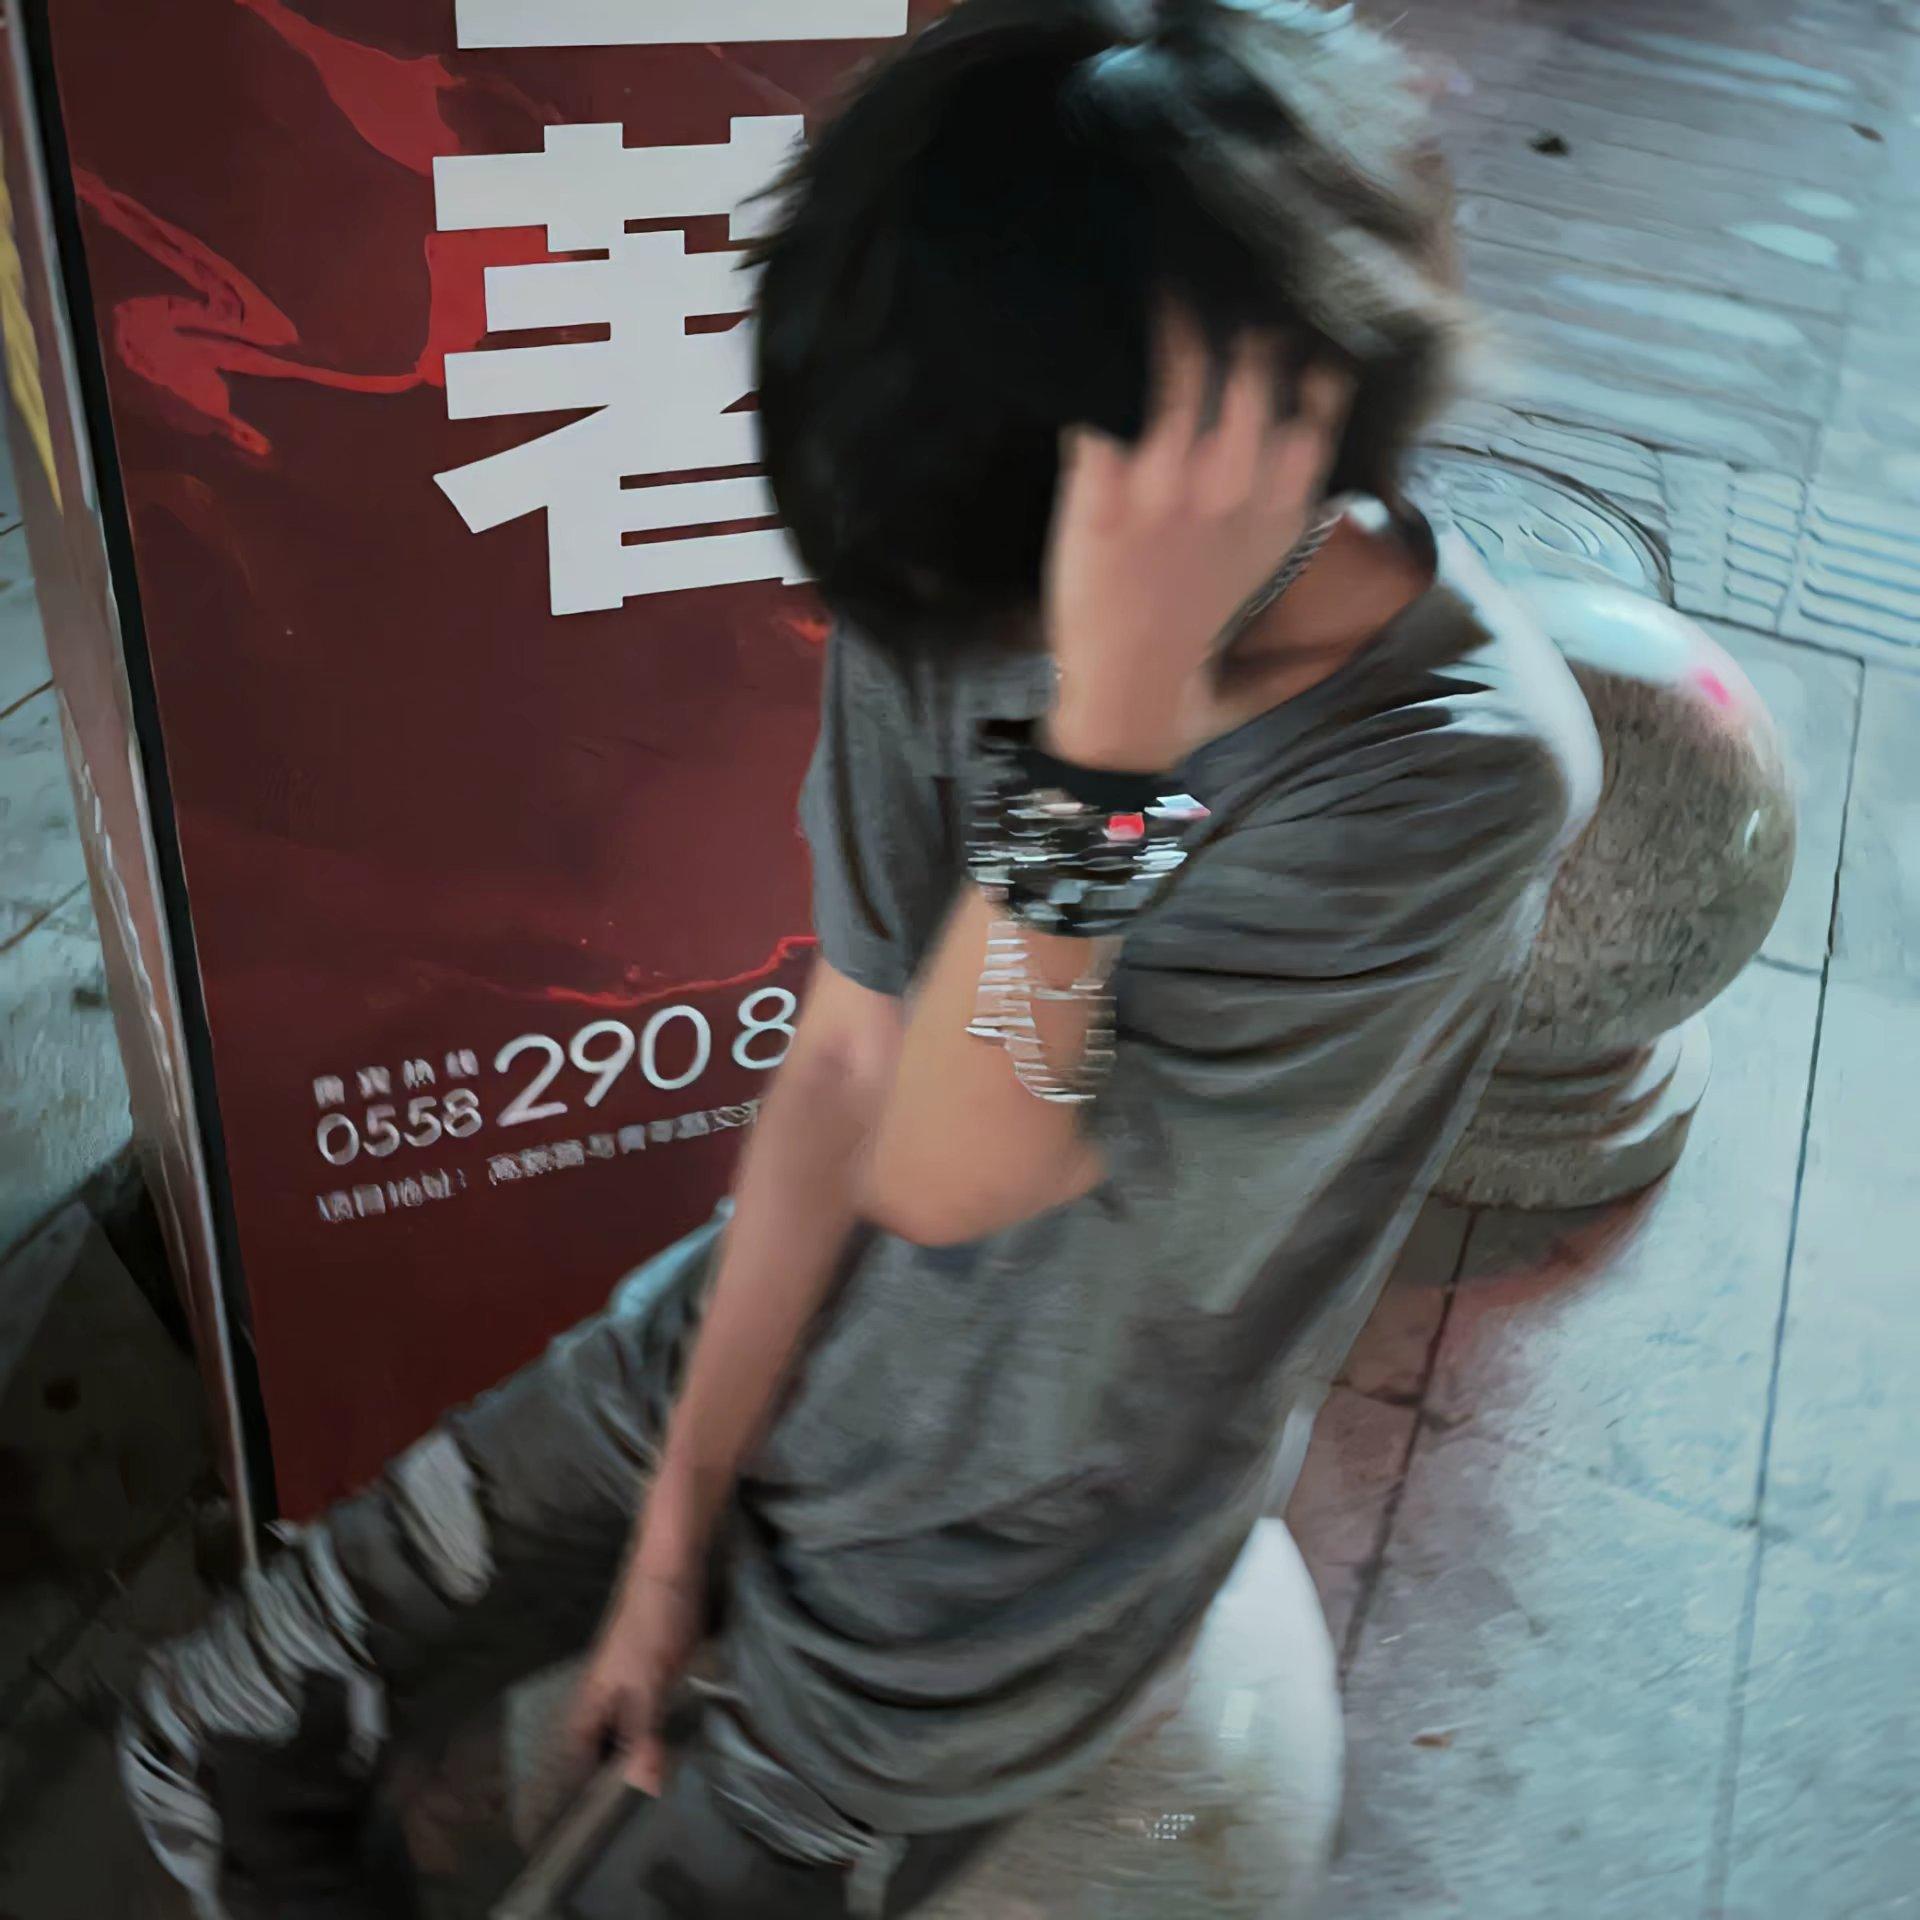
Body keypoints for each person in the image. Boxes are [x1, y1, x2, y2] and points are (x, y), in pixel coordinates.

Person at [121, 2, 1601, 1915]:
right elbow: (848, 1064)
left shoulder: (1442, 777)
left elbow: (966, 1171)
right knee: (208, 1746)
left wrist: (1110, 737)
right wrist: (674, 1525)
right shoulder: (967, 534)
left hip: (999, 1572)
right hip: (750, 1344)